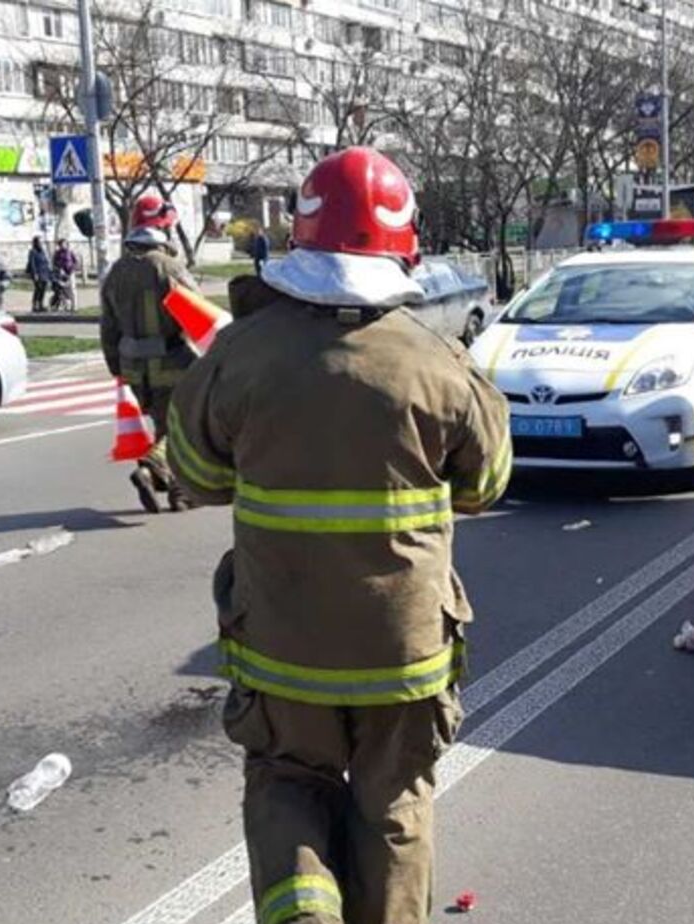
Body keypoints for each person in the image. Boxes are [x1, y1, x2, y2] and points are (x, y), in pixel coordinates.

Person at [169, 147, 510, 924]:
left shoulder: (242, 354)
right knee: (395, 808)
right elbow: (485, 487)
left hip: (282, 647)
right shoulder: (439, 364)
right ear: (403, 245)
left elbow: (194, 472)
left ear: (304, 236)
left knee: (290, 784)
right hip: (404, 649)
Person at [100, 194, 201, 513]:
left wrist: (117, 367)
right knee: (183, 427)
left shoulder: (115, 273)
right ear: (162, 229)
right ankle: (150, 467)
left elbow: (108, 327)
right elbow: (198, 313)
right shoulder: (168, 267)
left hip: (134, 367)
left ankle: (179, 492)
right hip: (171, 362)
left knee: (164, 425)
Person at [51, 240, 81, 312]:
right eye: (61, 244)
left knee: (72, 289)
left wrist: (72, 269)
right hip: (61, 274)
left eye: (64, 244)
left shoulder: (70, 252)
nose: (62, 246)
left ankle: (74, 306)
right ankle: (66, 306)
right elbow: (54, 263)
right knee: (63, 290)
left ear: (67, 244)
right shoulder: (57, 253)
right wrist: (59, 269)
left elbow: (76, 262)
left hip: (70, 273)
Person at [26, 236, 53, 313]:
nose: (40, 243)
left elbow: (46, 262)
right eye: (39, 242)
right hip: (38, 274)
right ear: (35, 243)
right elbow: (32, 263)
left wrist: (49, 271)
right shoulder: (32, 251)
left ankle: (41, 304)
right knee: (38, 289)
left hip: (45, 273)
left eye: (41, 242)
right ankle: (35, 305)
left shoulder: (43, 251)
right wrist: (35, 274)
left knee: (43, 290)